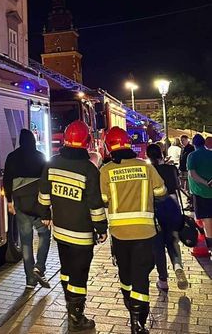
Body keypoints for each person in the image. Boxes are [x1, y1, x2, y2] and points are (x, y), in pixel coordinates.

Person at [37, 120, 107, 332]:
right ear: (86, 142)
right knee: (79, 274)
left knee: (67, 270)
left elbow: (43, 194)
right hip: (81, 234)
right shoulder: (89, 169)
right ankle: (77, 318)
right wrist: (102, 228)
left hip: (60, 231)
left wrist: (44, 215)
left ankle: (70, 306)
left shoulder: (52, 163)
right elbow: (95, 204)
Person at [100, 127, 167, 334]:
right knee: (141, 277)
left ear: (109, 147)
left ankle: (132, 312)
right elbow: (162, 192)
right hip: (145, 233)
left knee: (126, 276)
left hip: (119, 234)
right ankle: (139, 321)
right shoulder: (145, 167)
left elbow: (102, 200)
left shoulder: (105, 170)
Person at [3, 129, 51, 289]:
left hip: (20, 203)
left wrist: (9, 201)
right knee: (44, 234)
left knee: (25, 242)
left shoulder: (12, 157)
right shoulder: (40, 156)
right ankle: (40, 266)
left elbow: (7, 181)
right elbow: (46, 181)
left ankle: (30, 279)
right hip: (37, 203)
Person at [146, 144, 187, 292]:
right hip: (172, 208)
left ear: (148, 156)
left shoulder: (148, 171)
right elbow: (177, 188)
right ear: (161, 153)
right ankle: (178, 266)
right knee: (172, 241)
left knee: (158, 246)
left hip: (155, 211)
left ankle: (163, 280)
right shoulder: (171, 169)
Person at [188, 134, 212, 253]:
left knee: (206, 219)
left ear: (194, 144)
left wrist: (205, 182)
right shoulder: (210, 154)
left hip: (200, 192)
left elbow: (192, 174)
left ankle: (210, 245)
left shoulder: (192, 156)